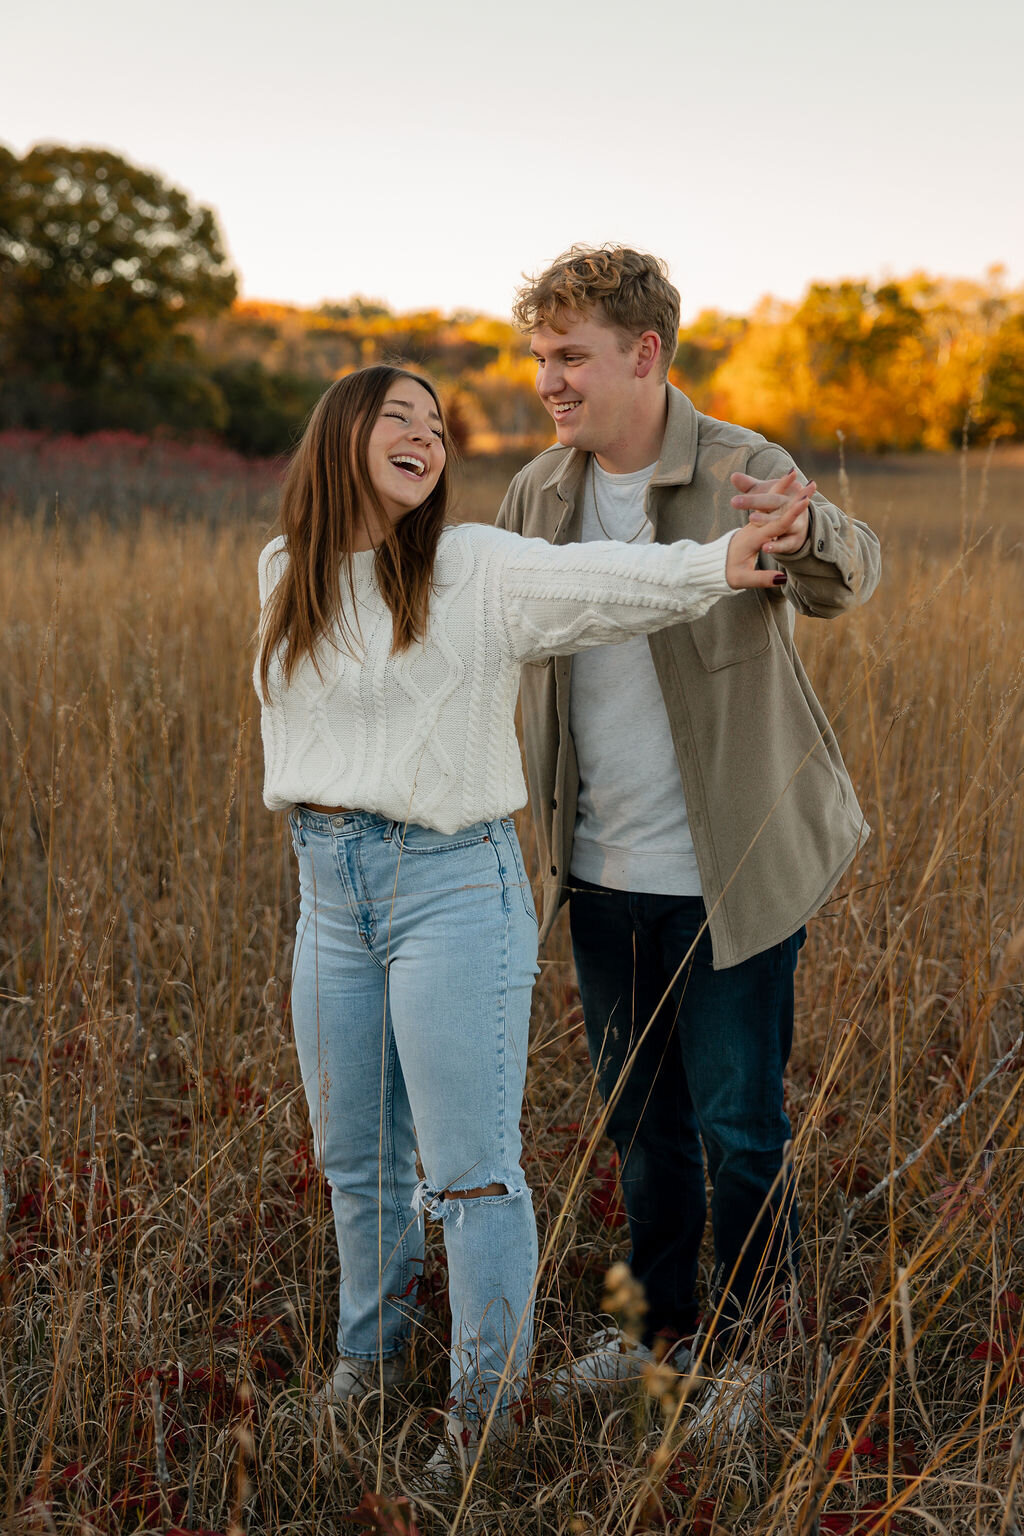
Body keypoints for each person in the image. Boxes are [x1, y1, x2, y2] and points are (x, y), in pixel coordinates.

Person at [254, 363, 814, 1470]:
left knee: (469, 1171)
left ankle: (484, 1414)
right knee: (356, 1157)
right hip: (326, 887)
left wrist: (720, 561)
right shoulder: (283, 570)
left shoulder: (470, 567)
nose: (425, 436)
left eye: (435, 424)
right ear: (338, 438)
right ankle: (367, 1364)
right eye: (396, 418)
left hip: (449, 887)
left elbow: (607, 583)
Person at [498, 245, 881, 1428]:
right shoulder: (537, 495)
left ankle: (756, 1354)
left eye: (572, 357)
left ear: (644, 354)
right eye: (541, 358)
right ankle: (655, 1334)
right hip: (600, 876)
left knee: (738, 1125)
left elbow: (846, 577)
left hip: (732, 870)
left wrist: (807, 529)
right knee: (639, 1124)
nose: (550, 381)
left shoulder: (740, 467)